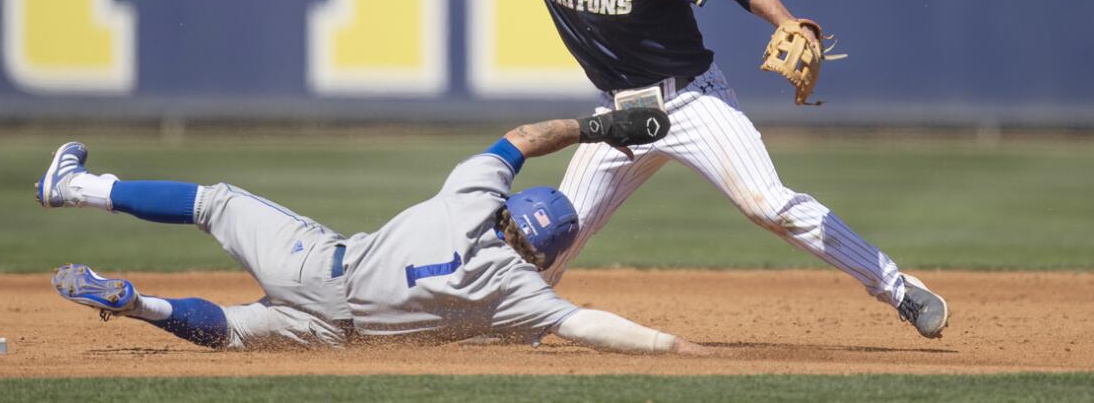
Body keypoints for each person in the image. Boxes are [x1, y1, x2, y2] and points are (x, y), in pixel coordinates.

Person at [443, 0, 949, 339]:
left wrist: (788, 21)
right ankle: (509, 322)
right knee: (557, 227)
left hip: (691, 101)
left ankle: (898, 287)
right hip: (618, 116)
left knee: (767, 205)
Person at [35, 107, 710, 353]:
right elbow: (585, 324)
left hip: (320, 267)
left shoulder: (472, 198)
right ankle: (140, 306)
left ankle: (75, 189)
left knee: (217, 202)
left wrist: (600, 128)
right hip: (338, 336)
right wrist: (673, 345)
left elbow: (523, 137)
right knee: (239, 333)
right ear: (545, 256)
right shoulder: (516, 294)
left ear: (512, 210)